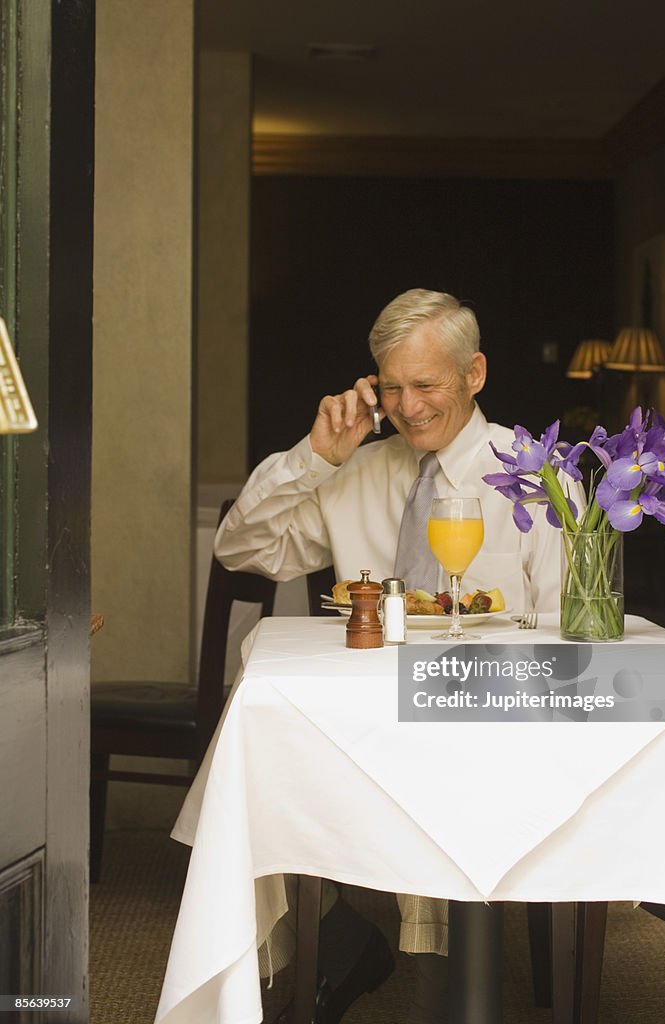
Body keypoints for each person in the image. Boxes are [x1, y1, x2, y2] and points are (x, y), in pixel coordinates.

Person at [215, 288, 572, 1024]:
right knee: (263, 760)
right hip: (366, 733)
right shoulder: (354, 471)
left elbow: (568, 641)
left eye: (427, 385)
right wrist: (314, 457)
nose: (408, 408)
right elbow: (242, 548)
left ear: (474, 374)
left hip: (494, 737)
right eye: (392, 388)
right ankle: (332, 936)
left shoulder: (539, 477)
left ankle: (361, 944)